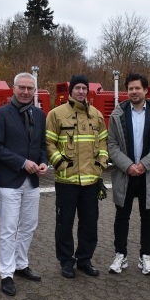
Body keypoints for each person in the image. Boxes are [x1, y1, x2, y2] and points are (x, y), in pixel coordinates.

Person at [0, 73, 48, 296]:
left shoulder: (40, 114)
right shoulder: (2, 114)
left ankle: (21, 264)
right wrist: (23, 163)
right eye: (21, 88)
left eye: (30, 88)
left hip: (32, 182)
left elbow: (41, 144)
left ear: (34, 91)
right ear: (13, 89)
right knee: (8, 229)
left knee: (29, 225)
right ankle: (6, 273)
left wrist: (43, 162)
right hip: (9, 181)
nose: (25, 92)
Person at [46, 74, 109, 279]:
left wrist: (100, 165)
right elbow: (49, 143)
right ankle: (66, 261)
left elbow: (103, 144)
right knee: (64, 223)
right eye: (77, 88)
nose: (81, 91)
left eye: (84, 88)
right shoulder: (56, 114)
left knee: (89, 223)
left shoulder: (97, 115)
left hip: (91, 181)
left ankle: (85, 260)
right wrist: (60, 164)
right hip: (67, 181)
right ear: (71, 91)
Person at [107, 73, 150, 275]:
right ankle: (121, 255)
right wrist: (128, 165)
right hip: (125, 175)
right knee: (121, 216)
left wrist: (144, 164)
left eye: (138, 88)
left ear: (146, 90)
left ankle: (145, 257)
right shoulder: (117, 114)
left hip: (148, 175)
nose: (134, 91)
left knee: (148, 217)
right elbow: (112, 144)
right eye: (131, 88)